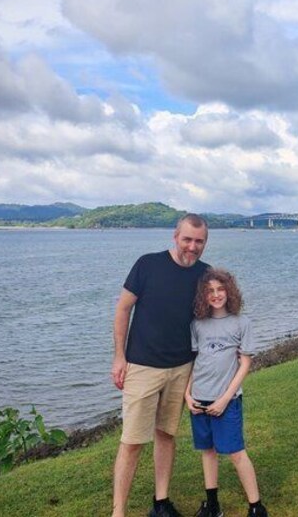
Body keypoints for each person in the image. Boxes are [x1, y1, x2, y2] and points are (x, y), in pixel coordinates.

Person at [111, 214, 210, 517]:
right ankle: (118, 511)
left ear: (205, 242)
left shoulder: (205, 275)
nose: (192, 247)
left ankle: (161, 503)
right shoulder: (147, 265)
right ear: (175, 236)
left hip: (182, 367)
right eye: (187, 239)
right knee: (132, 441)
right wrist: (119, 357)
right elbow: (123, 309)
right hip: (142, 365)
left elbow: (212, 321)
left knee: (166, 435)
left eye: (199, 241)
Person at [185, 269, 268, 517]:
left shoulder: (241, 323)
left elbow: (245, 364)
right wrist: (187, 395)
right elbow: (195, 362)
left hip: (227, 401)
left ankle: (256, 507)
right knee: (207, 451)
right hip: (199, 399)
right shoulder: (197, 324)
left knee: (236, 452)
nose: (216, 294)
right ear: (203, 295)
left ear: (229, 291)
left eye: (220, 289)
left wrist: (224, 399)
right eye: (210, 291)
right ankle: (212, 505)